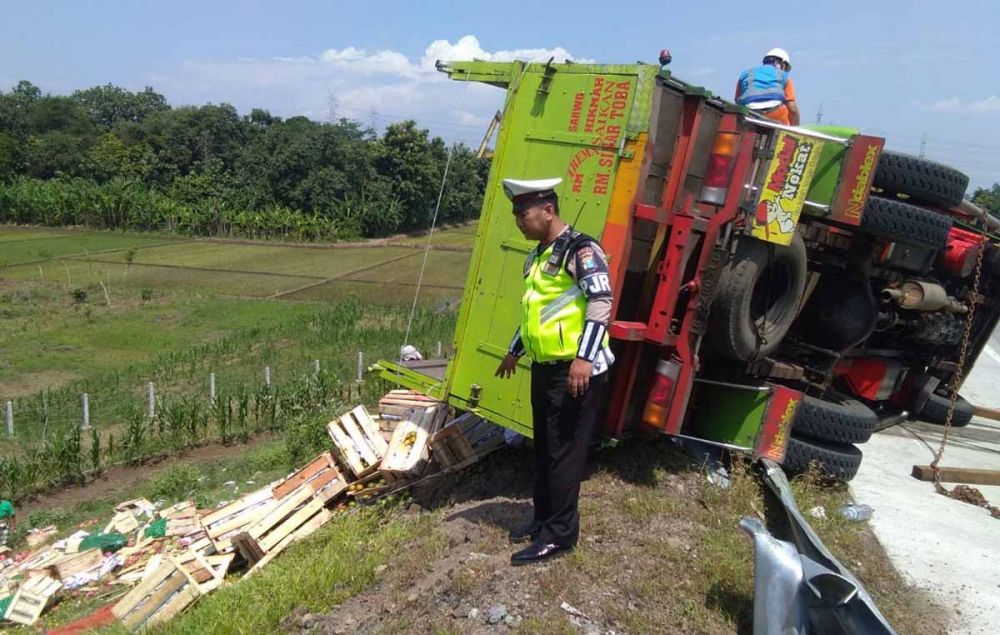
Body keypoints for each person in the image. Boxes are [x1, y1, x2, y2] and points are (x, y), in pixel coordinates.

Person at [494, 177, 615, 566]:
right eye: (516, 215)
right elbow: (537, 313)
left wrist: (584, 358)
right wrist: (514, 351)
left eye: (524, 214)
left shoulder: (581, 250)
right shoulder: (536, 257)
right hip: (545, 368)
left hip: (575, 371)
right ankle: (543, 518)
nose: (519, 221)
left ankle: (560, 535)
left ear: (548, 211)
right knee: (545, 447)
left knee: (564, 453)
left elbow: (601, 300)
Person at [735, 47, 800, 126]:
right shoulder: (784, 76)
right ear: (781, 64)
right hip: (775, 114)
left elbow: (737, 100)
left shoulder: (745, 74)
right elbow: (792, 109)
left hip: (750, 114)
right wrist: (795, 128)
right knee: (786, 111)